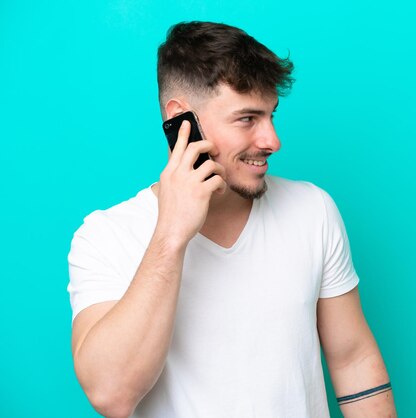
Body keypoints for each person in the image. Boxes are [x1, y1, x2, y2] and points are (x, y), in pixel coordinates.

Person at [68, 21, 396, 418]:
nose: (272, 141)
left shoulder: (313, 210)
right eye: (247, 119)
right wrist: (171, 235)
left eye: (271, 115)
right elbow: (111, 395)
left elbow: (353, 359)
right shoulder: (106, 236)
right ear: (182, 120)